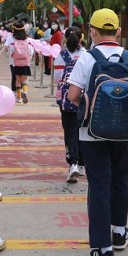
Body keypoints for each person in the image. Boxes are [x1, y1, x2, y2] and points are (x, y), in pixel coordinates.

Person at [67, 8, 128, 256]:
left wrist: (89, 105)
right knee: (120, 180)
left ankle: (102, 246)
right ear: (117, 31)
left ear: (92, 31)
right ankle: (119, 232)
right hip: (125, 134)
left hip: (91, 135)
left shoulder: (87, 58)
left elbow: (72, 96)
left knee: (99, 186)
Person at [53, 26, 86, 183]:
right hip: (81, 98)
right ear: (81, 38)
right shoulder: (86, 55)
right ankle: (82, 162)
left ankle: (72, 163)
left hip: (65, 100)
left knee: (69, 129)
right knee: (81, 128)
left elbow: (57, 78)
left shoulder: (61, 56)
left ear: (65, 38)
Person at [8, 21, 33, 104]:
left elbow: (11, 51)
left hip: (16, 63)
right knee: (25, 80)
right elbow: (31, 51)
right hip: (26, 63)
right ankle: (25, 92)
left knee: (17, 80)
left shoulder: (13, 40)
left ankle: (18, 97)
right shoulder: (28, 40)